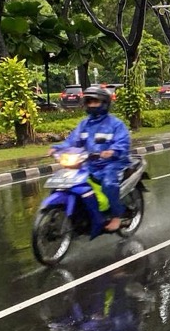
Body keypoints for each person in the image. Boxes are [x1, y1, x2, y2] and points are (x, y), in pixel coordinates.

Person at [49, 86, 131, 232]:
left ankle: (116, 216)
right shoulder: (84, 124)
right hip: (90, 163)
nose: (92, 105)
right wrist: (57, 148)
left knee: (108, 184)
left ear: (104, 103)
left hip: (112, 163)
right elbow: (72, 141)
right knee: (66, 182)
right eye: (89, 102)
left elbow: (123, 142)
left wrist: (112, 151)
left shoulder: (115, 124)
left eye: (96, 102)